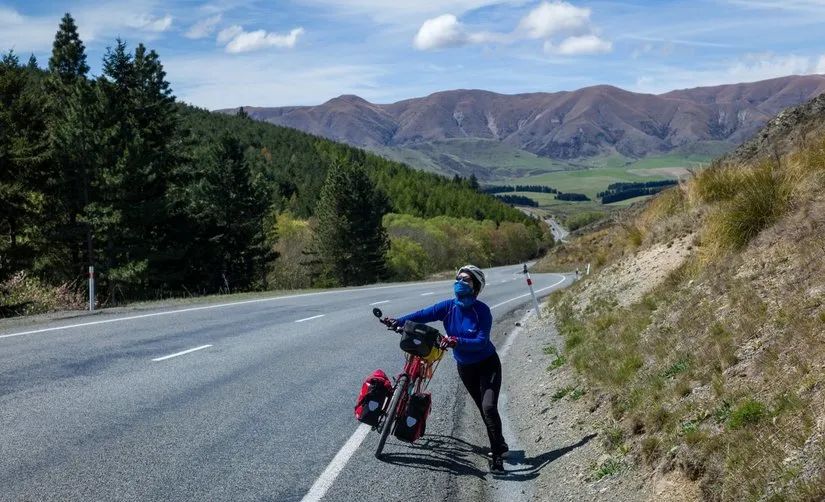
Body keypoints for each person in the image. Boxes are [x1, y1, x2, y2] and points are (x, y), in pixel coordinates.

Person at [388, 264, 509, 473]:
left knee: (489, 407)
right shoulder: (448, 307)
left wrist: (455, 340)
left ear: (476, 286)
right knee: (482, 408)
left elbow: (481, 341)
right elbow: (422, 314)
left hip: (487, 364)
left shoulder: (481, 311)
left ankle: (497, 455)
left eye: (466, 280)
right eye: (458, 279)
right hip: (465, 367)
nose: (460, 283)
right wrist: (397, 321)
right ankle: (500, 442)